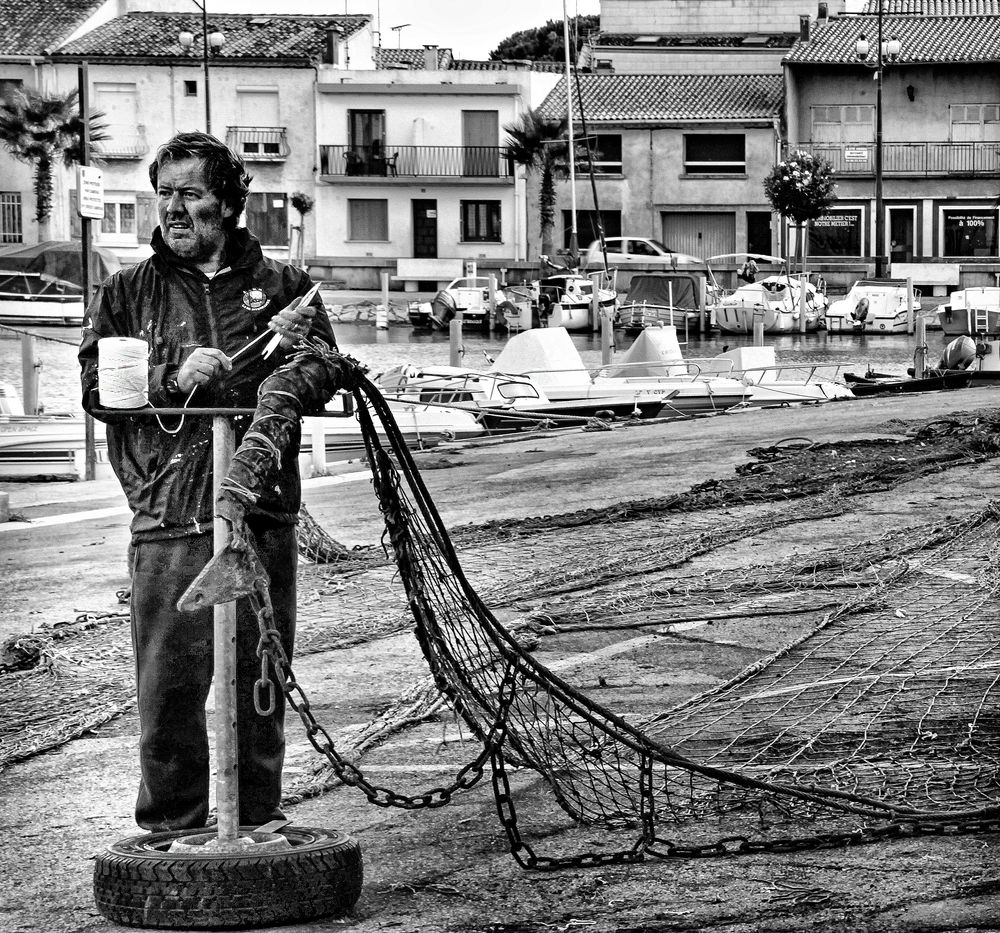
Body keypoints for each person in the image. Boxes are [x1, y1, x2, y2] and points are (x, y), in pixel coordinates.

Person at [79, 132, 337, 832]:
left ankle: (258, 816)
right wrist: (172, 378)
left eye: (190, 194)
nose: (175, 209)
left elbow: (325, 374)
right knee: (168, 685)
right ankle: (172, 827)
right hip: (167, 512)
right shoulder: (130, 290)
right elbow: (99, 386)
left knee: (260, 677)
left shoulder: (283, 286)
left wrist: (288, 362)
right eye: (164, 195)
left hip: (261, 514)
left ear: (228, 202)